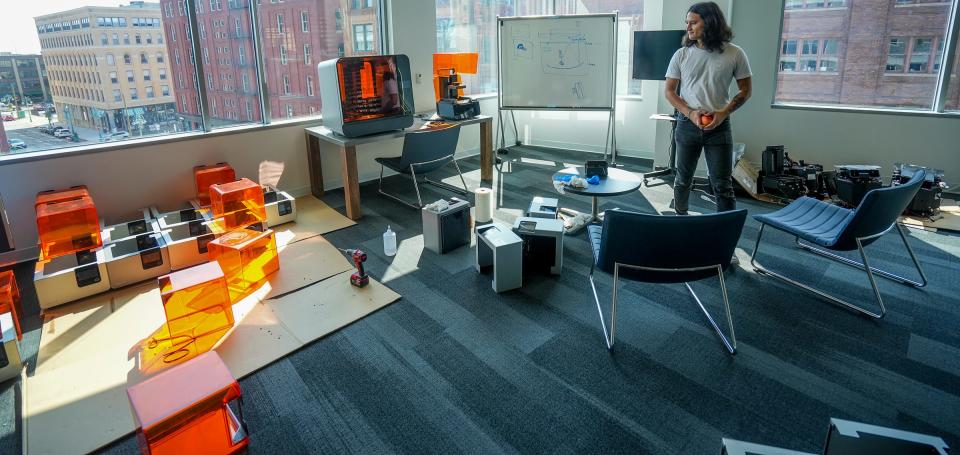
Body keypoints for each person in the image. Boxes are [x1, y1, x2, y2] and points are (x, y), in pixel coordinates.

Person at [664, 2, 752, 216]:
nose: (688, 27)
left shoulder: (735, 54)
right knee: (683, 179)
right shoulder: (681, 55)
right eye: (687, 23)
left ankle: (725, 232)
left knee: (722, 184)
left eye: (693, 22)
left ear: (710, 23)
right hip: (686, 124)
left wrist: (723, 113)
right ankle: (680, 220)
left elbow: (745, 91)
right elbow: (669, 92)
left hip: (719, 127)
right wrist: (691, 113)